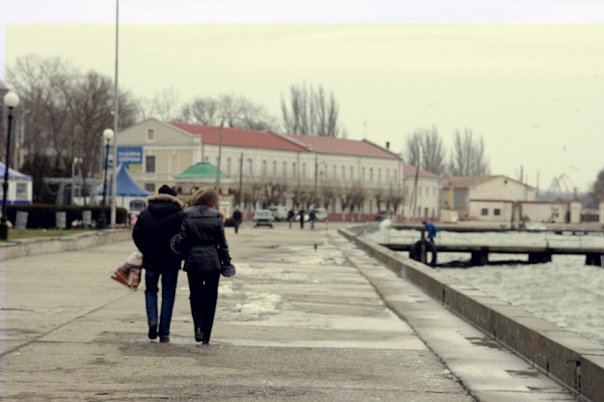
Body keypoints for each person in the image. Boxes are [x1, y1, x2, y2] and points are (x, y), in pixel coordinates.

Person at [171, 188, 232, 345]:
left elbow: (182, 239)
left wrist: (177, 246)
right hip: (213, 262)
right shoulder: (216, 216)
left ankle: (198, 326)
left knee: (195, 295)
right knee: (211, 297)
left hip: (193, 261)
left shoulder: (187, 214)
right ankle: (207, 334)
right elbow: (222, 243)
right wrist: (226, 262)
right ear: (212, 201)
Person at [132, 184, 184, 343]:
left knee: (150, 291)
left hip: (151, 260)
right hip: (171, 262)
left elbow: (136, 235)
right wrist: (179, 253)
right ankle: (164, 332)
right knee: (168, 295)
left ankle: (153, 321)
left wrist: (145, 250)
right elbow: (184, 237)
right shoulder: (179, 215)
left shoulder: (146, 213)